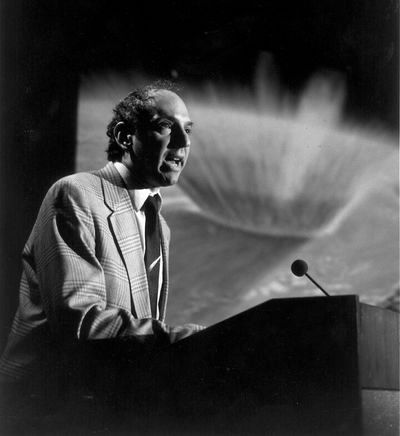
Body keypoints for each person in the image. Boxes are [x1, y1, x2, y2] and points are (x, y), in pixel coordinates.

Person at [0, 83, 204, 391]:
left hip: (107, 398)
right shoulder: (75, 193)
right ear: (125, 137)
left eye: (187, 130)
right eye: (165, 126)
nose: (182, 141)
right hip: (44, 402)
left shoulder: (160, 226)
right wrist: (185, 338)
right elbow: (81, 323)